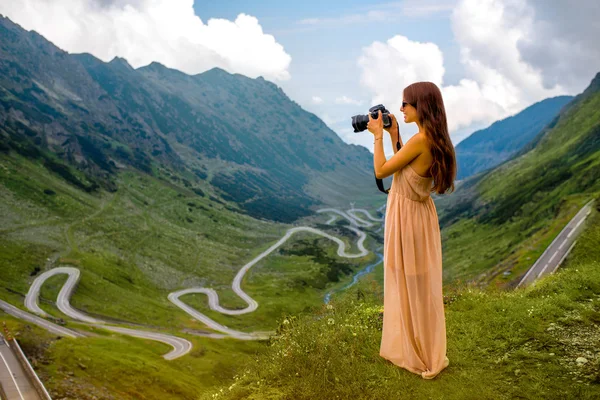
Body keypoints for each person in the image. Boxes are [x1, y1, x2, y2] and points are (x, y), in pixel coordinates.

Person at [367, 81, 456, 379]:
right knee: (416, 284)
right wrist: (394, 136)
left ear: (422, 107)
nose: (401, 108)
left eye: (406, 103)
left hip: (407, 217)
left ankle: (416, 350)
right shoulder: (429, 138)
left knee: (408, 283)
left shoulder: (421, 140)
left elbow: (383, 170)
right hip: (418, 215)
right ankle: (418, 345)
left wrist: (378, 137)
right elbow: (406, 168)